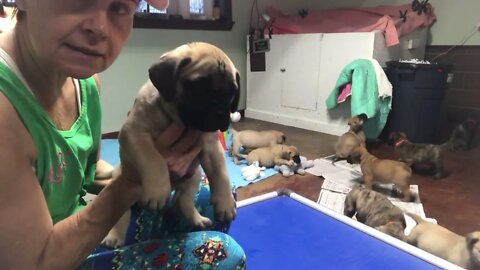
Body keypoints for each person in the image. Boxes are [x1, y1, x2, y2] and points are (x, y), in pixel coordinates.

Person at [0, 0, 246, 269]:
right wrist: (131, 182)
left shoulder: (83, 81)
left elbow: (81, 172)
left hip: (71, 224)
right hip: (46, 257)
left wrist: (138, 168)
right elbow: (35, 263)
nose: (99, 27)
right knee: (220, 255)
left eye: (119, 7)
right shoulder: (5, 111)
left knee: (214, 196)